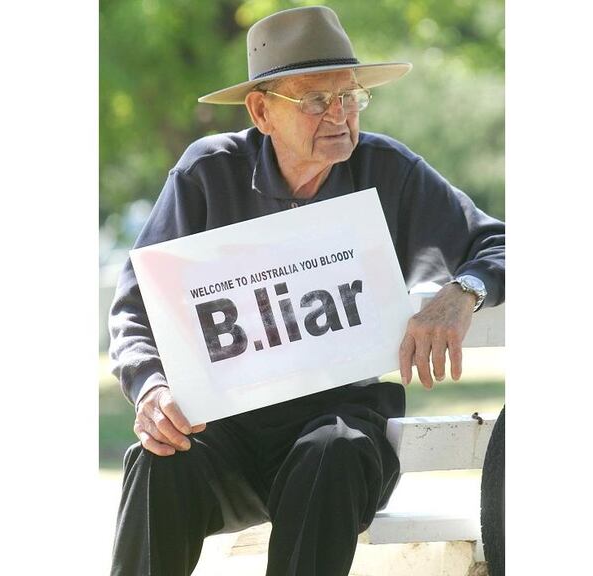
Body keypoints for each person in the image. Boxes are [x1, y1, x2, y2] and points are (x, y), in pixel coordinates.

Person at [108, 6, 505, 576]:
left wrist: (462, 290)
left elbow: (500, 244)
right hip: (226, 425)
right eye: (316, 100)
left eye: (350, 96)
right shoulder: (207, 173)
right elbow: (135, 304)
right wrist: (150, 388)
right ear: (261, 110)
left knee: (332, 451)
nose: (340, 115)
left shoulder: (385, 169)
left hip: (338, 426)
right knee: (156, 461)